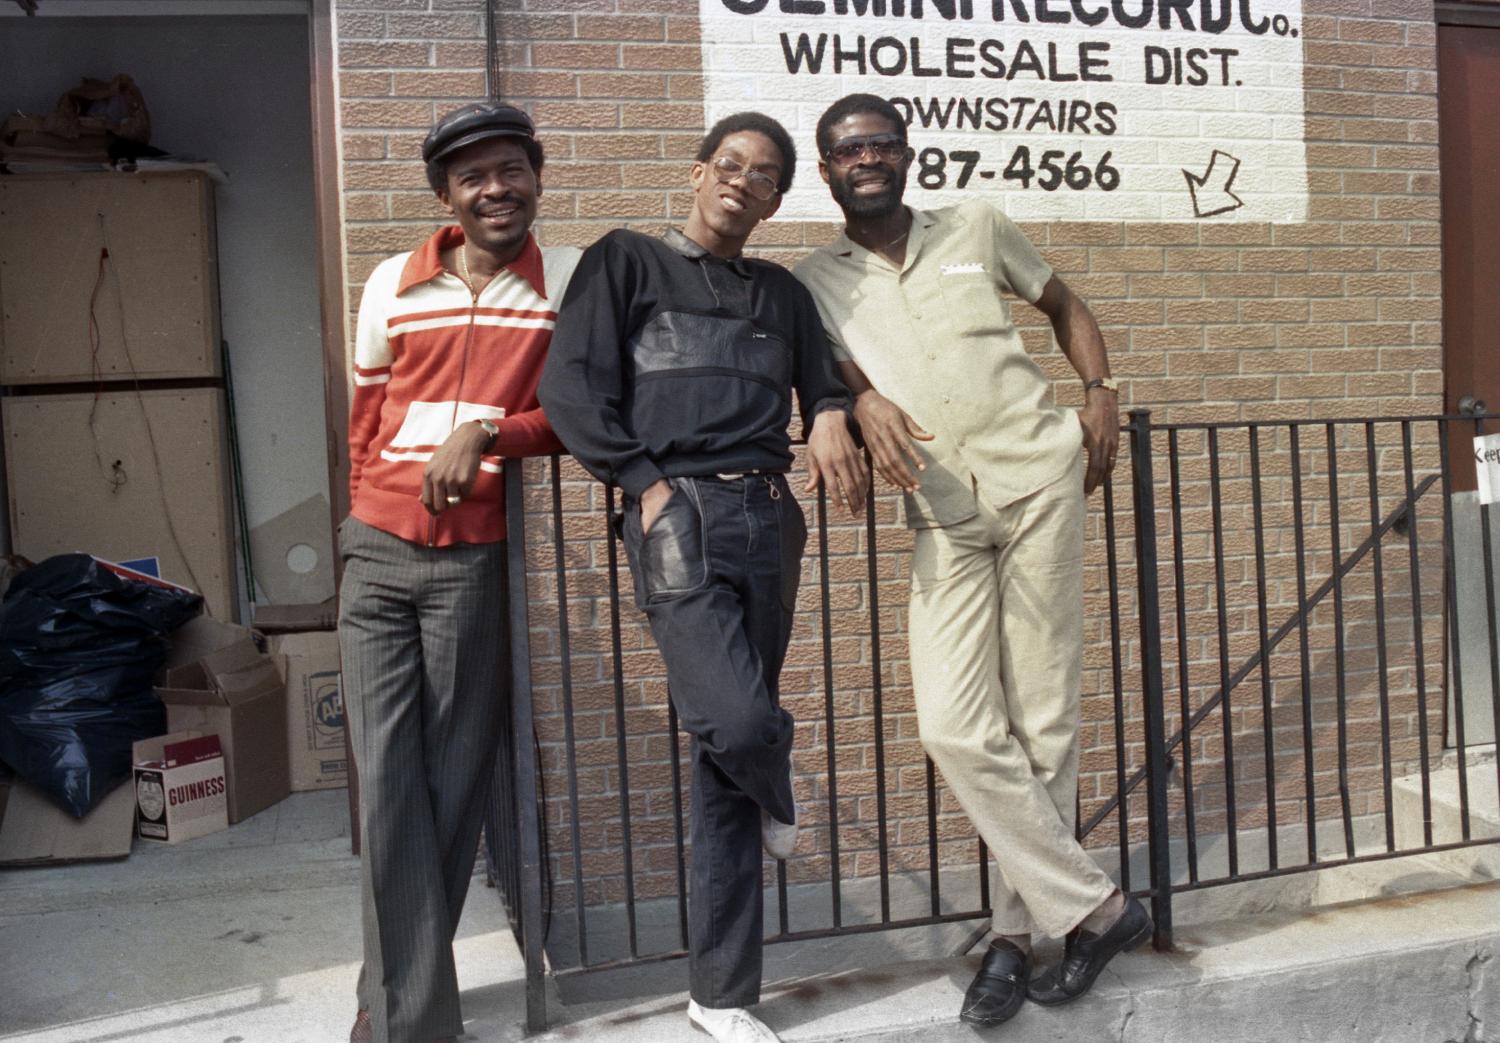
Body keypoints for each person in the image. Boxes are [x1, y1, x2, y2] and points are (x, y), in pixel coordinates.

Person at [793, 93, 1149, 1029]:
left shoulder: (978, 224)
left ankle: (1011, 938)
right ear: (825, 171)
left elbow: (1063, 302)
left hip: (1039, 481)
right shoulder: (813, 280)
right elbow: (825, 371)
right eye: (846, 150)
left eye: (879, 144)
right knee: (956, 724)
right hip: (942, 513)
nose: (865, 158)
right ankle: (1099, 907)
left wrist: (1101, 391)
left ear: (906, 155)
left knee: (1043, 721)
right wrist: (855, 401)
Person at [538, 111, 867, 1043]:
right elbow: (570, 388)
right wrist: (641, 486)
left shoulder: (781, 293)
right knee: (737, 720)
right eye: (730, 165)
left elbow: (822, 383)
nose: (742, 183)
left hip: (768, 516)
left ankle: (720, 996)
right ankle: (777, 775)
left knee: (719, 762)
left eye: (764, 176)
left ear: (775, 198)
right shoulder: (627, 261)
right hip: (675, 511)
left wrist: (835, 412)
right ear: (697, 173)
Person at [338, 101, 580, 1043]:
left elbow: (574, 414)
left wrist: (489, 432)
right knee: (388, 781)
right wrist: (368, 515)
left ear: (535, 178)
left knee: (454, 777)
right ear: (446, 193)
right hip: (377, 554)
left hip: (472, 563)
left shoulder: (561, 285)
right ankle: (415, 1022)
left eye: (512, 169)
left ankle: (390, 991)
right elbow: (366, 420)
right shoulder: (392, 282)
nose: (496, 189)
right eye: (474, 175)